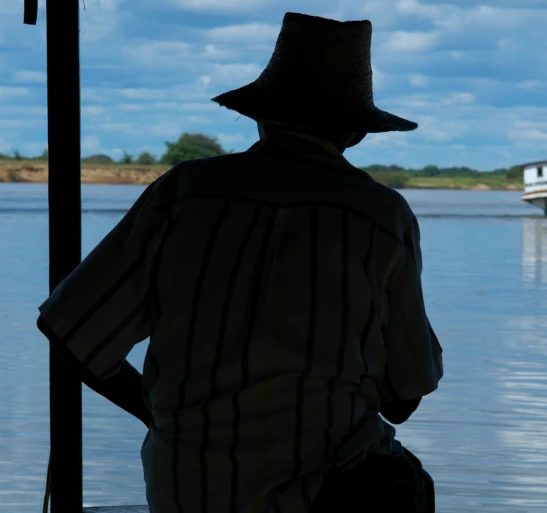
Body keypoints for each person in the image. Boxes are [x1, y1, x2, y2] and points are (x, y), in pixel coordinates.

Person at [36, 12, 443, 513]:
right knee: (406, 481)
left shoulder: (183, 193)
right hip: (324, 493)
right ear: (357, 133)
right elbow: (403, 400)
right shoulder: (380, 216)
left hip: (184, 491)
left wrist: (158, 412)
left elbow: (70, 333)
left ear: (261, 115)